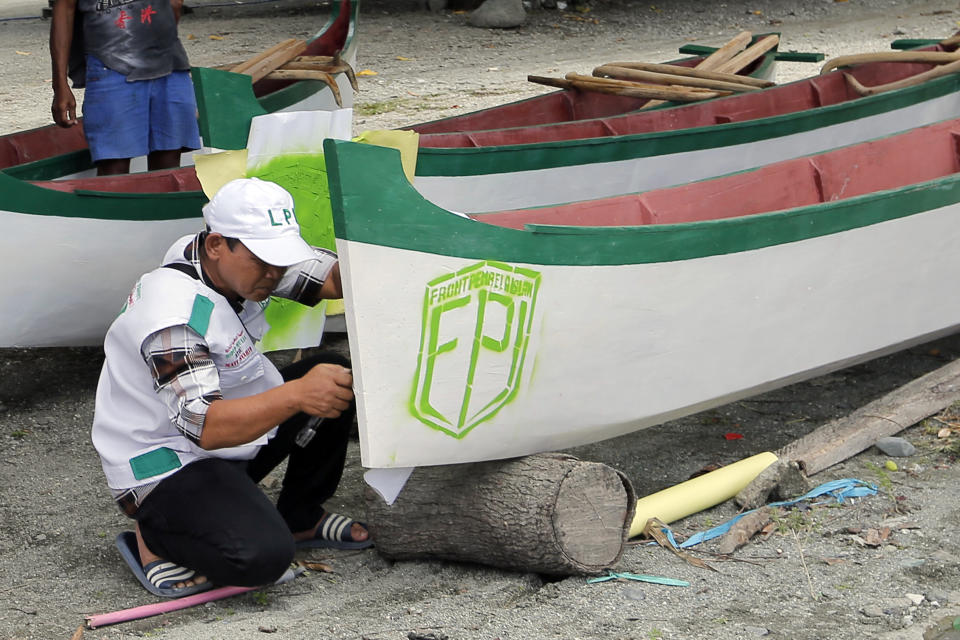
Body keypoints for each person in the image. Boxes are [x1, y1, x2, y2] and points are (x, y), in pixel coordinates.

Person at [92, 177, 369, 597]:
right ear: (219, 244)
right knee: (261, 558)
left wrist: (396, 250)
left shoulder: (226, 259)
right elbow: (206, 427)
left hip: (225, 442)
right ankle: (153, 536)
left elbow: (330, 279)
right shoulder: (172, 319)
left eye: (280, 259)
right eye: (264, 261)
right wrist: (296, 394)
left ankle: (300, 516)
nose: (275, 273)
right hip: (166, 463)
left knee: (333, 376)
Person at [49, 0, 201, 176]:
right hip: (110, 62)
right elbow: (64, 9)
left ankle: (160, 202)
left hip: (169, 61)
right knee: (114, 162)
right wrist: (59, 84)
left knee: (169, 154)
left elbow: (175, 5)